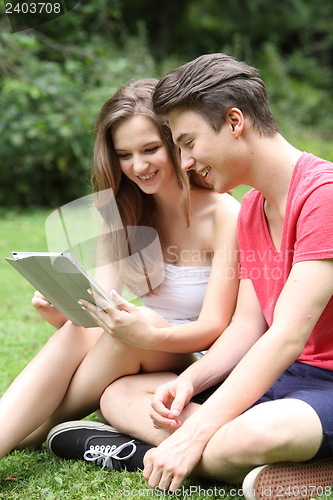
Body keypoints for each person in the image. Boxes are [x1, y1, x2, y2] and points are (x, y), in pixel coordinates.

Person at [47, 54, 333, 500]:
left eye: (188, 142)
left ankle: (138, 453)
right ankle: (249, 459)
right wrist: (190, 383)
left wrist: (196, 432)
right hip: (276, 375)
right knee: (120, 395)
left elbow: (286, 337)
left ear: (234, 121)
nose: (183, 161)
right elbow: (247, 328)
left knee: (256, 435)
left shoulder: (323, 197)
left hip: (323, 382)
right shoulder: (254, 210)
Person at [0, 77, 239, 462]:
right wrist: (62, 313)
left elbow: (216, 326)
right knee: (89, 325)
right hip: (140, 345)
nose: (138, 166)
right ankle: (14, 430)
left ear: (176, 142)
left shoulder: (223, 215)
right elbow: (99, 312)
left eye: (150, 149)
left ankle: (31, 429)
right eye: (124, 155)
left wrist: (146, 332)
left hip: (200, 359)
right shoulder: (121, 211)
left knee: (133, 324)